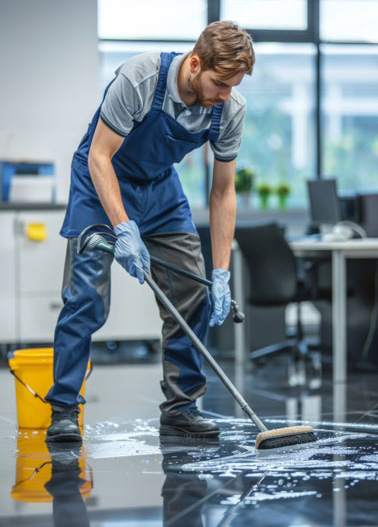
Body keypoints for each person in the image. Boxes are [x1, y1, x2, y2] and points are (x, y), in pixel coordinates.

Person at [45, 20, 255, 443]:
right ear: (195, 64)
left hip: (160, 188)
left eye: (233, 86)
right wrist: (122, 228)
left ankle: (181, 407)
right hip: (100, 180)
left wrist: (220, 272)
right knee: (85, 298)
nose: (225, 95)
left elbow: (222, 192)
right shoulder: (140, 79)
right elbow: (100, 156)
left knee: (192, 294)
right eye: (219, 83)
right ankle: (65, 408)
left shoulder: (229, 109)